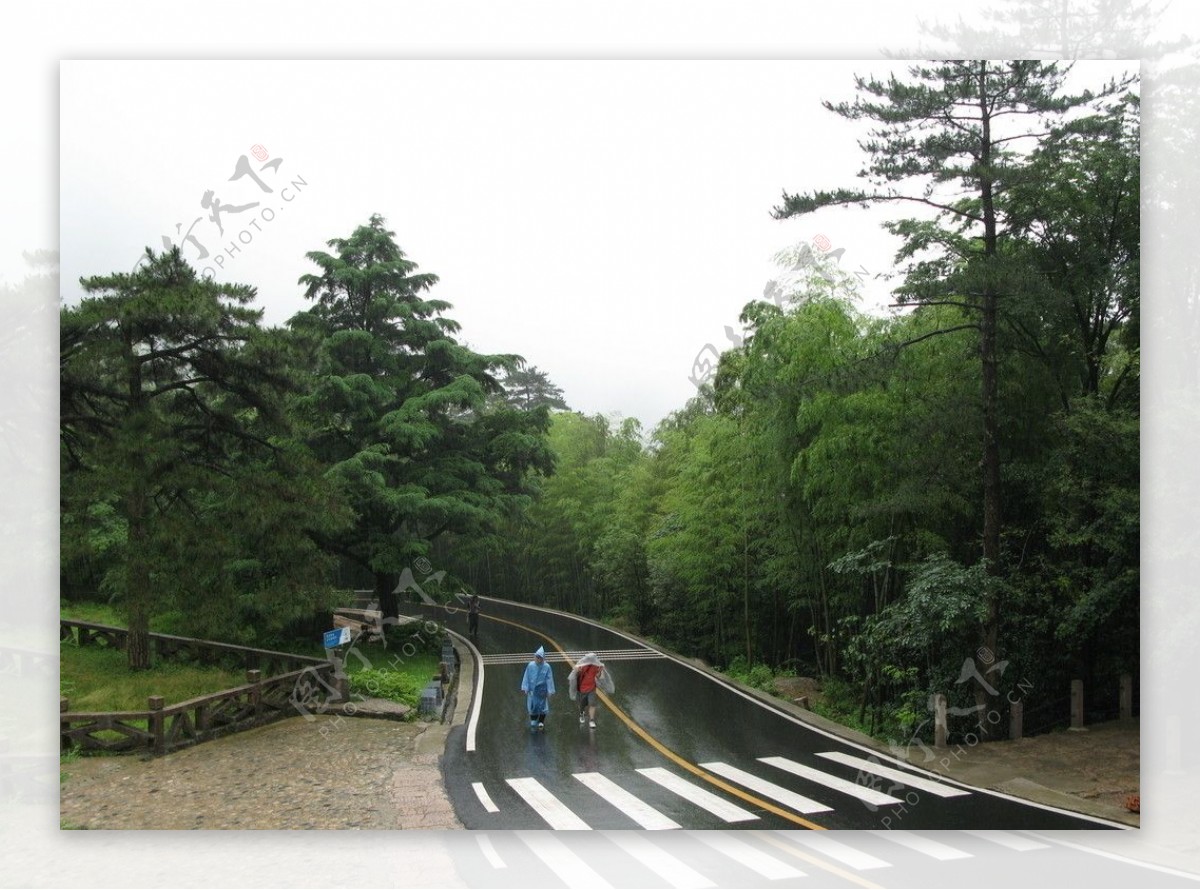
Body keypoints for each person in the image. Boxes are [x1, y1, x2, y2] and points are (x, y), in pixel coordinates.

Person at [520, 645, 555, 729]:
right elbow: (526, 676)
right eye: (537, 657)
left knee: (543, 706)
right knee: (533, 706)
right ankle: (533, 719)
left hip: (542, 691)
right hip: (532, 690)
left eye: (540, 658)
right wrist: (525, 687)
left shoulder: (547, 667)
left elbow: (549, 679)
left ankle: (541, 721)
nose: (538, 659)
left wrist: (550, 690)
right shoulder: (530, 665)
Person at [568, 652, 605, 729]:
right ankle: (582, 713)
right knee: (582, 705)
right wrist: (577, 671)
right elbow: (574, 675)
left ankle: (591, 720)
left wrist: (600, 671)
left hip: (592, 688)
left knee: (592, 704)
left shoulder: (596, 666)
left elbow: (598, 677)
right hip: (581, 689)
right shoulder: (581, 665)